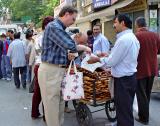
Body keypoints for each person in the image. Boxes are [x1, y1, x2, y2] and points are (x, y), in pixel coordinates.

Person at [88, 14, 140, 126]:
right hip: (128, 78)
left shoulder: (124, 39)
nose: (113, 25)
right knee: (124, 108)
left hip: (124, 80)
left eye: (115, 22)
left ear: (122, 23)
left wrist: (97, 59)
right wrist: (107, 56)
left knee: (124, 109)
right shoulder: (131, 37)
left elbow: (112, 61)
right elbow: (123, 58)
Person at [38, 6, 78, 126]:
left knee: (59, 105)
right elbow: (70, 44)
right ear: (66, 14)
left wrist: (68, 55)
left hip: (57, 70)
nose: (73, 22)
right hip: (51, 71)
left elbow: (58, 50)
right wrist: (84, 47)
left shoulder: (58, 28)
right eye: (73, 18)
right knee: (52, 108)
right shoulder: (54, 26)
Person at [134, 17, 160, 125]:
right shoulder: (155, 35)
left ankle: (144, 118)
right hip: (152, 68)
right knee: (147, 94)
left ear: (137, 25)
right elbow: (158, 50)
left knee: (141, 95)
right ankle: (145, 113)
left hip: (141, 69)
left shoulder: (136, 36)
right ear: (146, 24)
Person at [30, 16, 54, 119]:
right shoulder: (46, 36)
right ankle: (46, 116)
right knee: (45, 92)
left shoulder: (39, 37)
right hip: (44, 66)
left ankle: (35, 113)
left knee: (39, 92)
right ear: (47, 25)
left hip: (39, 66)